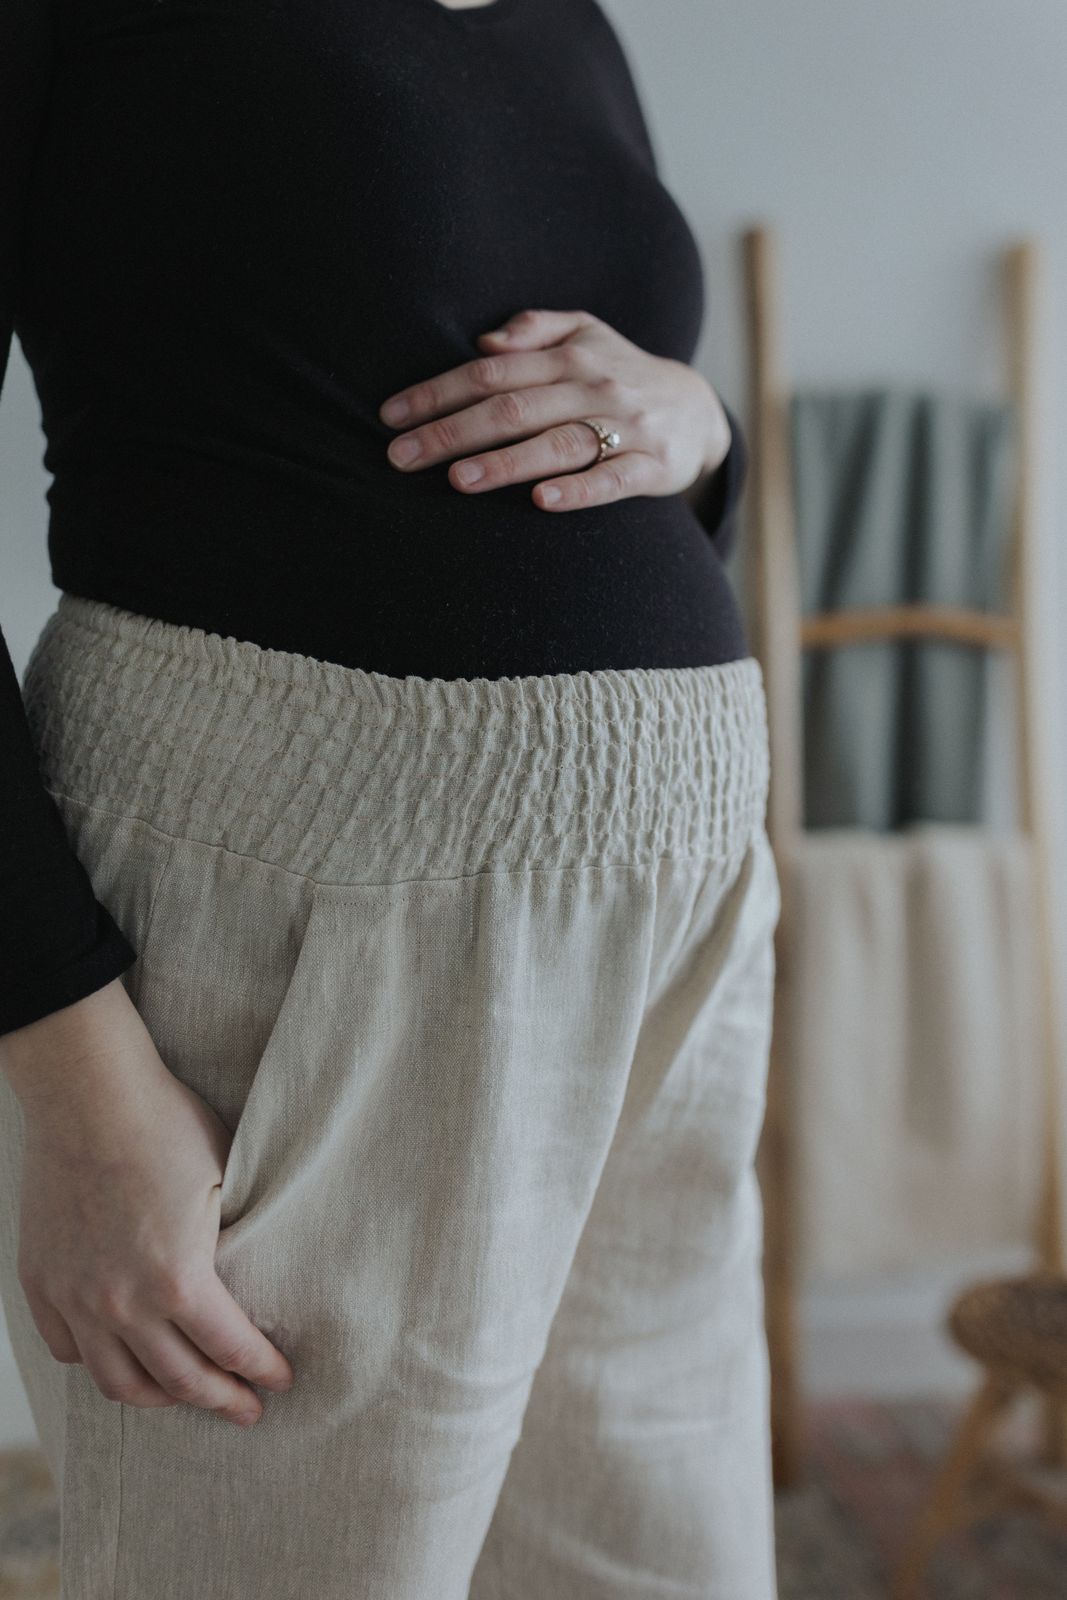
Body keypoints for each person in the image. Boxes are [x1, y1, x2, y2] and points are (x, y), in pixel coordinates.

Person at [0, 0, 781, 1594]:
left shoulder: (568, 23)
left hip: (671, 931)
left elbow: (597, 406)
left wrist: (703, 430)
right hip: (316, 909)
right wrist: (77, 1098)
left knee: (661, 1564)